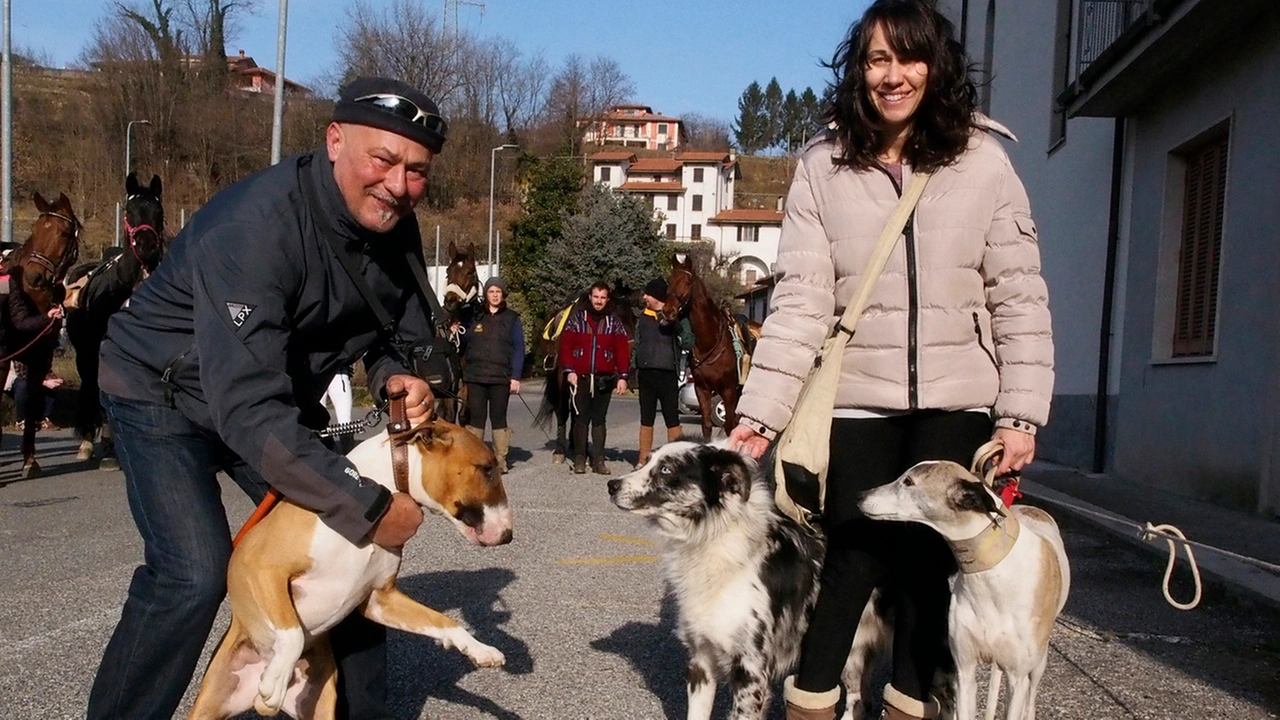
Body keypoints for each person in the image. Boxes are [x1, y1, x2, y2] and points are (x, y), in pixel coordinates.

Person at [727, 2, 1053, 719]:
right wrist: (761, 412)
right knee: (851, 556)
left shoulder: (985, 161)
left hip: (958, 399)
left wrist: (1021, 414)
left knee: (928, 568)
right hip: (856, 399)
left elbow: (1018, 295)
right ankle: (809, 705)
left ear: (936, 67)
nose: (893, 75)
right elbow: (802, 304)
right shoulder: (822, 166)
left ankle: (908, 707)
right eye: (878, 60)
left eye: (909, 58)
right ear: (858, 69)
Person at [86, 76, 448, 720]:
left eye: (416, 171)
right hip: (161, 391)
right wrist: (366, 504)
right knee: (191, 573)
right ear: (335, 141)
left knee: (354, 558)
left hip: (269, 396)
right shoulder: (254, 226)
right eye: (383, 160)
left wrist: (398, 377)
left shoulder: (396, 227)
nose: (397, 184)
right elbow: (245, 405)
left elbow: (398, 335)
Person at [559, 281, 630, 475]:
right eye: (596, 297)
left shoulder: (613, 322)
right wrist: (569, 370)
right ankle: (580, 458)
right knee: (581, 419)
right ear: (590, 297)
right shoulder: (577, 318)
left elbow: (622, 350)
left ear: (607, 299)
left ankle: (598, 459)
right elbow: (566, 345)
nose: (599, 301)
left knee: (599, 420)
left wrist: (623, 376)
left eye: (602, 298)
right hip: (580, 377)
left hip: (603, 378)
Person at [460, 276, 525, 473]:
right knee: (476, 419)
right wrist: (457, 330)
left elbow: (519, 348)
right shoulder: (474, 317)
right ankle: (474, 458)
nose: (495, 295)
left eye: (498, 291)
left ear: (503, 294)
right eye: (491, 291)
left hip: (501, 377)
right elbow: (464, 341)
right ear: (486, 294)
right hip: (476, 376)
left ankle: (500, 460)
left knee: (499, 418)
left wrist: (515, 377)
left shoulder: (512, 319)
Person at [631, 277, 689, 467]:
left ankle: (677, 459)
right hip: (646, 373)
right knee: (646, 417)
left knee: (672, 417)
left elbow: (689, 341)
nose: (645, 297)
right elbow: (637, 345)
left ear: (656, 296)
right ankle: (643, 458)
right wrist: (633, 369)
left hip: (668, 373)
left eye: (647, 294)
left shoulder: (675, 316)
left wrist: (676, 325)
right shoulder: (642, 318)